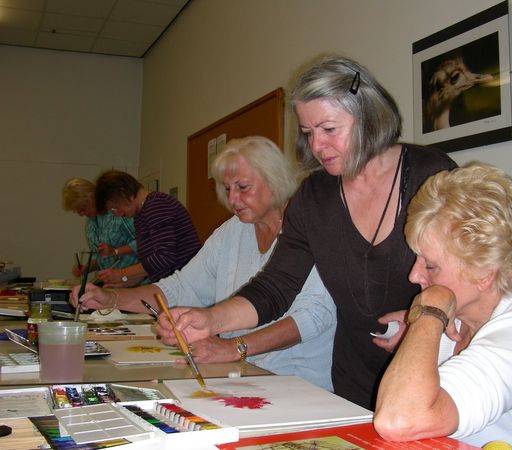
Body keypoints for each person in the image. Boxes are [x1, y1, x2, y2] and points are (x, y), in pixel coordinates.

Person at [155, 55, 457, 409]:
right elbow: (275, 288)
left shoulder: (431, 174)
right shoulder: (314, 197)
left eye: (329, 130)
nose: (316, 146)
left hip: (434, 372)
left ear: (368, 117)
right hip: (354, 382)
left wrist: (419, 320)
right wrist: (209, 319)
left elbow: (470, 274)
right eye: (308, 133)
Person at [71, 136, 336, 391]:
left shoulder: (310, 228)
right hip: (243, 377)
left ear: (275, 181)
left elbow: (314, 316)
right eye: (227, 189)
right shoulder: (231, 233)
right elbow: (181, 287)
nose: (232, 200)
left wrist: (233, 347)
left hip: (299, 383)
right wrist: (112, 299)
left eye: (242, 187)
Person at [373, 163, 512, 449]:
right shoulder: (460, 317)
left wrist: (430, 311)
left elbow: (398, 420)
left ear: (484, 273)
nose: (414, 276)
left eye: (430, 265)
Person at [93, 170, 201, 286]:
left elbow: (164, 257)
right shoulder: (140, 215)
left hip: (190, 285)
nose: (117, 214)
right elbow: (150, 268)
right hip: (176, 285)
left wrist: (121, 273)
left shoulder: (156, 205)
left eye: (114, 208)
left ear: (124, 194)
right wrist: (122, 283)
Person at [62, 177, 142, 283]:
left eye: (83, 208)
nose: (81, 214)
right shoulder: (91, 226)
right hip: (113, 283)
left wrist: (116, 251)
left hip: (135, 281)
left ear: (91, 196)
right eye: (78, 211)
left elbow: (145, 242)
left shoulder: (118, 213)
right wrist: (86, 268)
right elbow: (100, 257)